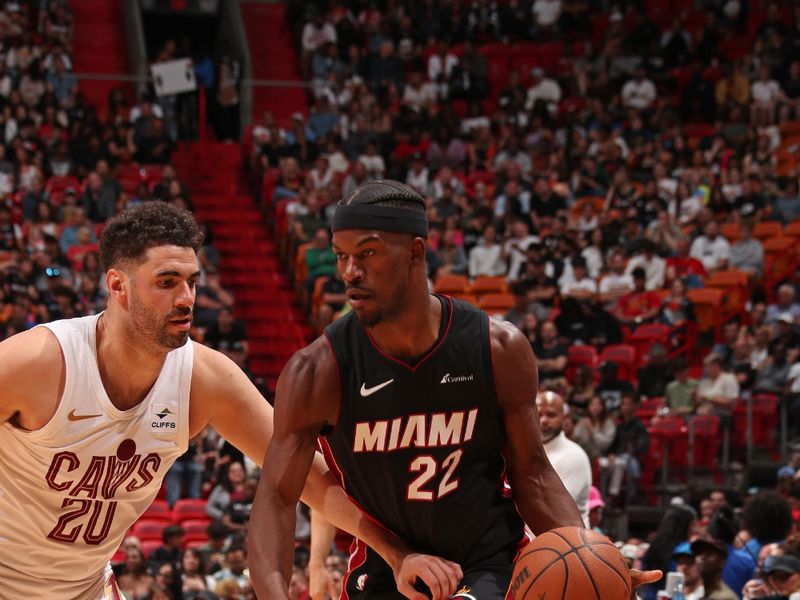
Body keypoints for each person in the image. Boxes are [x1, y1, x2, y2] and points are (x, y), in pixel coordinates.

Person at [0, 202, 455, 599]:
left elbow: (306, 477)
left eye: (193, 282)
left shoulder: (205, 378)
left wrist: (396, 553)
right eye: (167, 282)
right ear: (118, 286)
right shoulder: (38, 362)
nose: (187, 299)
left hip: (85, 586)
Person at [248, 181, 658, 598]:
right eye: (342, 257)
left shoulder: (497, 348)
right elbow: (277, 500)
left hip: (488, 564)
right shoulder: (317, 371)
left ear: (416, 251)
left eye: (367, 253)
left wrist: (589, 562)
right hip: (386, 568)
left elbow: (532, 474)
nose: (350, 271)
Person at [537, 391, 593, 526]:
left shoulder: (574, 456)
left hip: (568, 542)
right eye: (538, 415)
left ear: (565, 418)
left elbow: (555, 509)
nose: (544, 420)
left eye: (550, 415)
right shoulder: (526, 449)